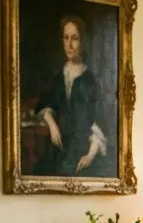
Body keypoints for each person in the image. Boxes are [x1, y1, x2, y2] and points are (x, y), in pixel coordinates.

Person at [34, 15, 110, 177]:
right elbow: (46, 103)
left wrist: (89, 156)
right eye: (66, 38)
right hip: (58, 147)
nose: (69, 44)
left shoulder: (90, 81)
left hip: (82, 151)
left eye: (74, 38)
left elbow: (98, 122)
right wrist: (52, 125)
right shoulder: (58, 77)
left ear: (82, 41)